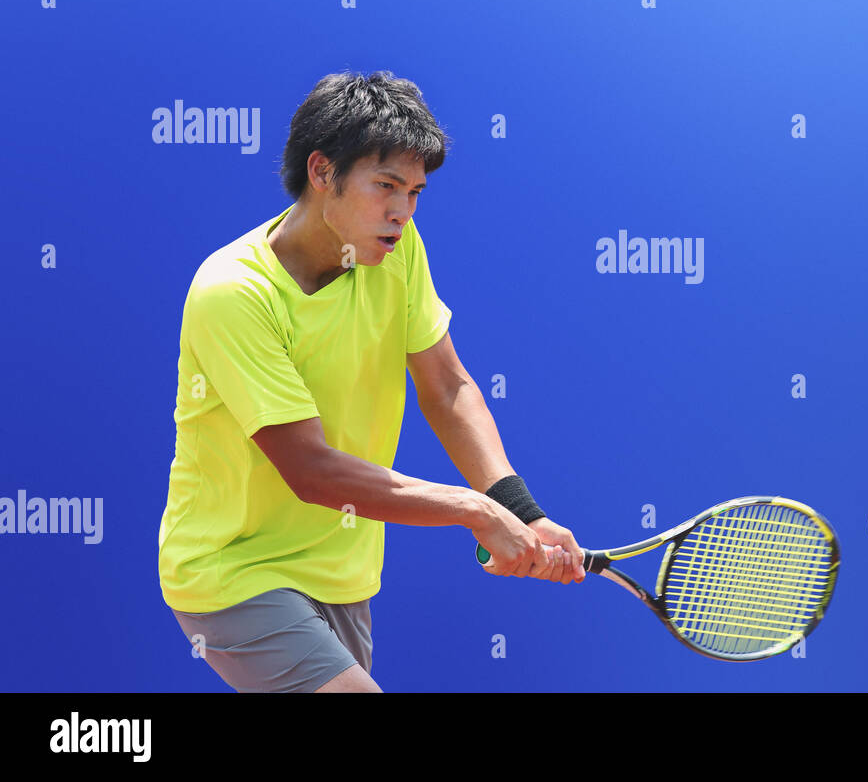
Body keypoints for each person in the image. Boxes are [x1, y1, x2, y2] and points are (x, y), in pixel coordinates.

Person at [157, 70, 583, 693]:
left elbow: (447, 386)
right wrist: (473, 510)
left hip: (343, 574)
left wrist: (519, 508)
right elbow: (310, 472)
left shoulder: (395, 250)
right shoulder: (233, 293)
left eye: (415, 193)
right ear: (323, 171)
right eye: (386, 186)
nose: (403, 213)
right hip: (232, 571)